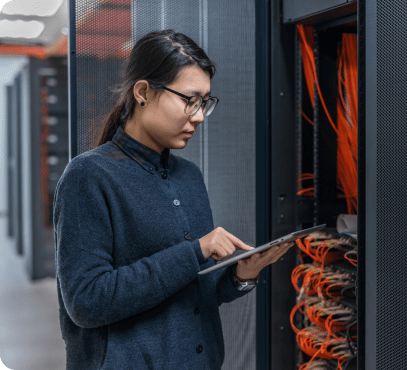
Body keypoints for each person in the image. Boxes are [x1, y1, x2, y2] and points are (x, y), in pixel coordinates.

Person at [53, 29, 295, 370]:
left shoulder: (189, 176)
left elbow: (197, 292)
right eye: (189, 99)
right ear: (142, 92)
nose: (198, 116)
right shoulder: (88, 177)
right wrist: (195, 252)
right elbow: (87, 302)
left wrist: (242, 274)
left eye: (205, 102)